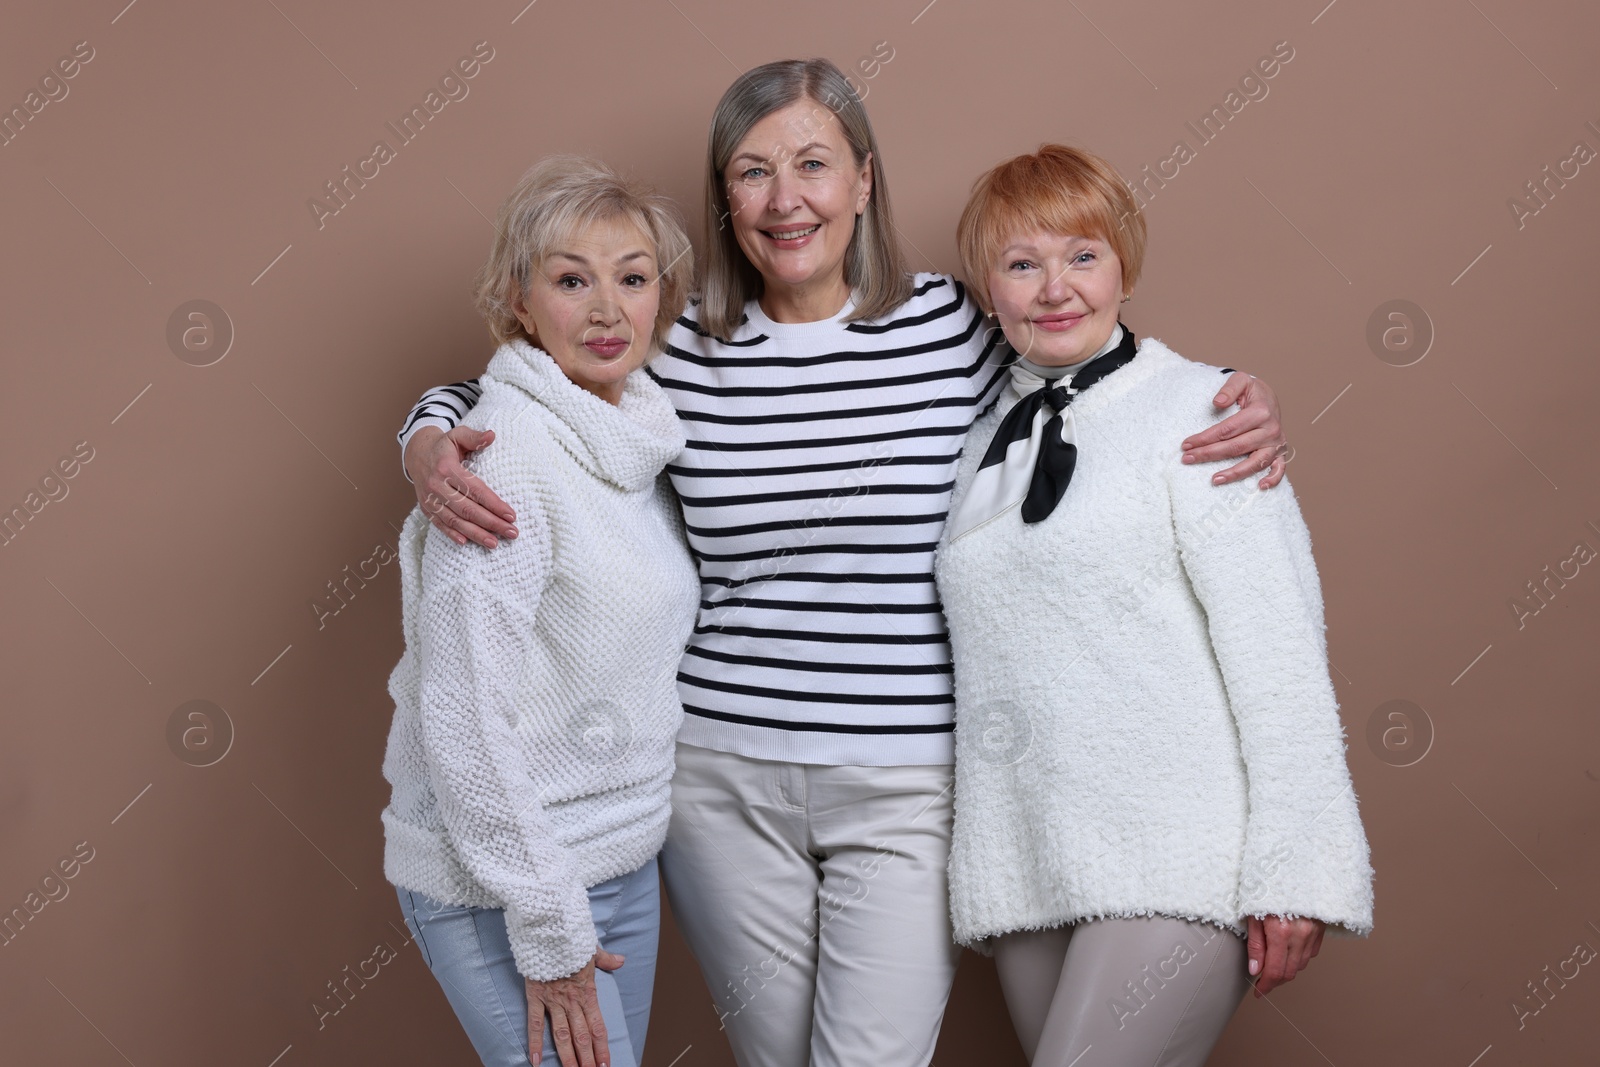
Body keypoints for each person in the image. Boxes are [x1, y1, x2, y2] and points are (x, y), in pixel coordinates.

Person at [395, 61, 1289, 1067]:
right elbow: (527, 385)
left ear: (863, 181)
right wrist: (429, 436)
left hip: (906, 778)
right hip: (717, 782)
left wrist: (1221, 396)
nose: (787, 199)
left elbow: (1093, 364)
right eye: (753, 171)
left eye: (813, 164)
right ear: (723, 197)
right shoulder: (676, 342)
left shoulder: (954, 326)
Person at [936, 144, 1374, 1067]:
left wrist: (1299, 869)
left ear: (1123, 268)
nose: (1056, 288)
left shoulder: (1203, 413)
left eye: (1083, 256)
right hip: (1028, 865)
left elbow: (1281, 654)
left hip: (1178, 853)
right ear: (988, 290)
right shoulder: (979, 445)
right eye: (1023, 264)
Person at [380, 155, 700, 1067]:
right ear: (519, 301)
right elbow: (462, 714)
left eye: (633, 279)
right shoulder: (508, 459)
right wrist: (550, 921)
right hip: (504, 877)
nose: (607, 308)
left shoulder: (637, 436)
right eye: (572, 280)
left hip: (619, 856)